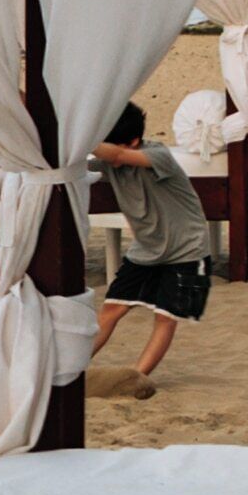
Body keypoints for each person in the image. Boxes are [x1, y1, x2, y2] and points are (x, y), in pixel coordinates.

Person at [90, 100, 210, 394]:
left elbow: (115, 153)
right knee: (110, 311)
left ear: (134, 142)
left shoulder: (157, 155)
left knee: (165, 318)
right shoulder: (111, 162)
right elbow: (83, 163)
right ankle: (70, 370)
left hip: (188, 250)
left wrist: (83, 137)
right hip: (145, 251)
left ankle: (134, 380)